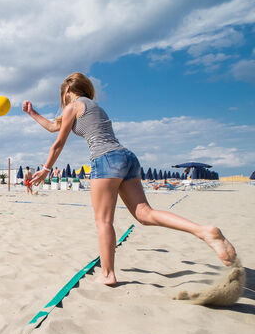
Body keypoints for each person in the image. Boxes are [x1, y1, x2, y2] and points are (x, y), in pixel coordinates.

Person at [23, 72, 236, 286]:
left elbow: (58, 142)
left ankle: (107, 274)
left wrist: (46, 169)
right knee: (145, 214)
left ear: (67, 90)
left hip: (105, 159)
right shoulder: (94, 107)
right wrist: (32, 113)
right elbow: (54, 126)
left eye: (63, 94)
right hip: (127, 157)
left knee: (104, 221)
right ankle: (203, 231)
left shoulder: (73, 106)